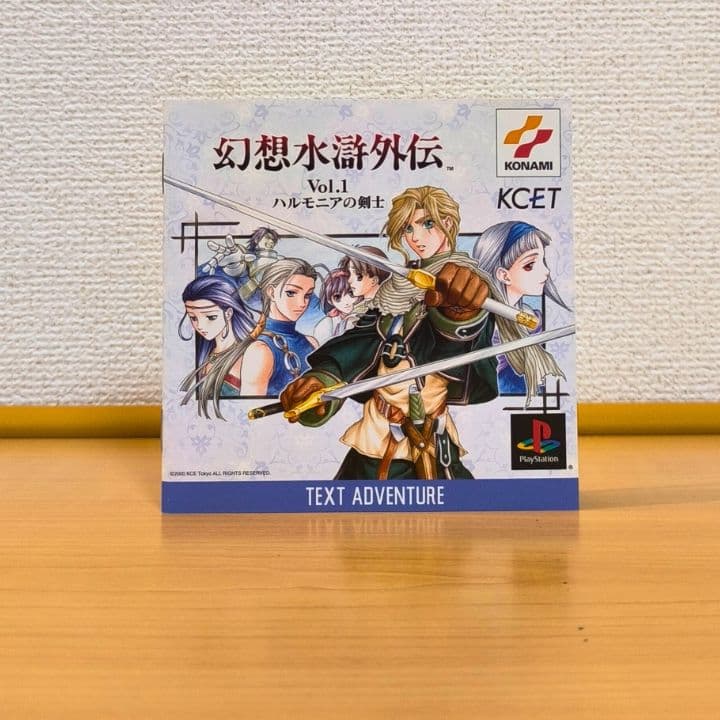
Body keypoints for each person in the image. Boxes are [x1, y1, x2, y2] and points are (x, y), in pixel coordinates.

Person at [280, 186, 498, 481]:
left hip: (434, 437)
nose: (415, 237)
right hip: (380, 436)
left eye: (427, 223)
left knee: (465, 505)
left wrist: (459, 316)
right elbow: (363, 341)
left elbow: (465, 359)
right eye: (408, 228)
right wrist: (324, 379)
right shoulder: (396, 288)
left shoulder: (471, 287)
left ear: (447, 222)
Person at [472, 221, 569, 403]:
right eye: (530, 265)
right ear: (504, 275)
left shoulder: (530, 316)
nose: (546, 271)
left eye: (543, 261)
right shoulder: (484, 328)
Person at [179, 276, 256, 419]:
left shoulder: (252, 355)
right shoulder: (202, 352)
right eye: (193, 318)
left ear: (228, 313)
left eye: (210, 317)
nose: (200, 326)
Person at [241, 258, 319, 396]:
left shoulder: (312, 343)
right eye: (291, 293)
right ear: (271, 292)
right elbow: (251, 406)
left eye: (307, 295)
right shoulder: (260, 351)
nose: (302, 303)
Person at [313, 268, 359, 345]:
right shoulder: (327, 323)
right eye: (337, 297)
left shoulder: (364, 315)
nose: (346, 302)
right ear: (330, 301)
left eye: (351, 293)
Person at [339, 245, 390, 311]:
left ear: (374, 281)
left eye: (358, 275)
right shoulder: (356, 310)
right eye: (349, 274)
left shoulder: (386, 308)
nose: (349, 280)